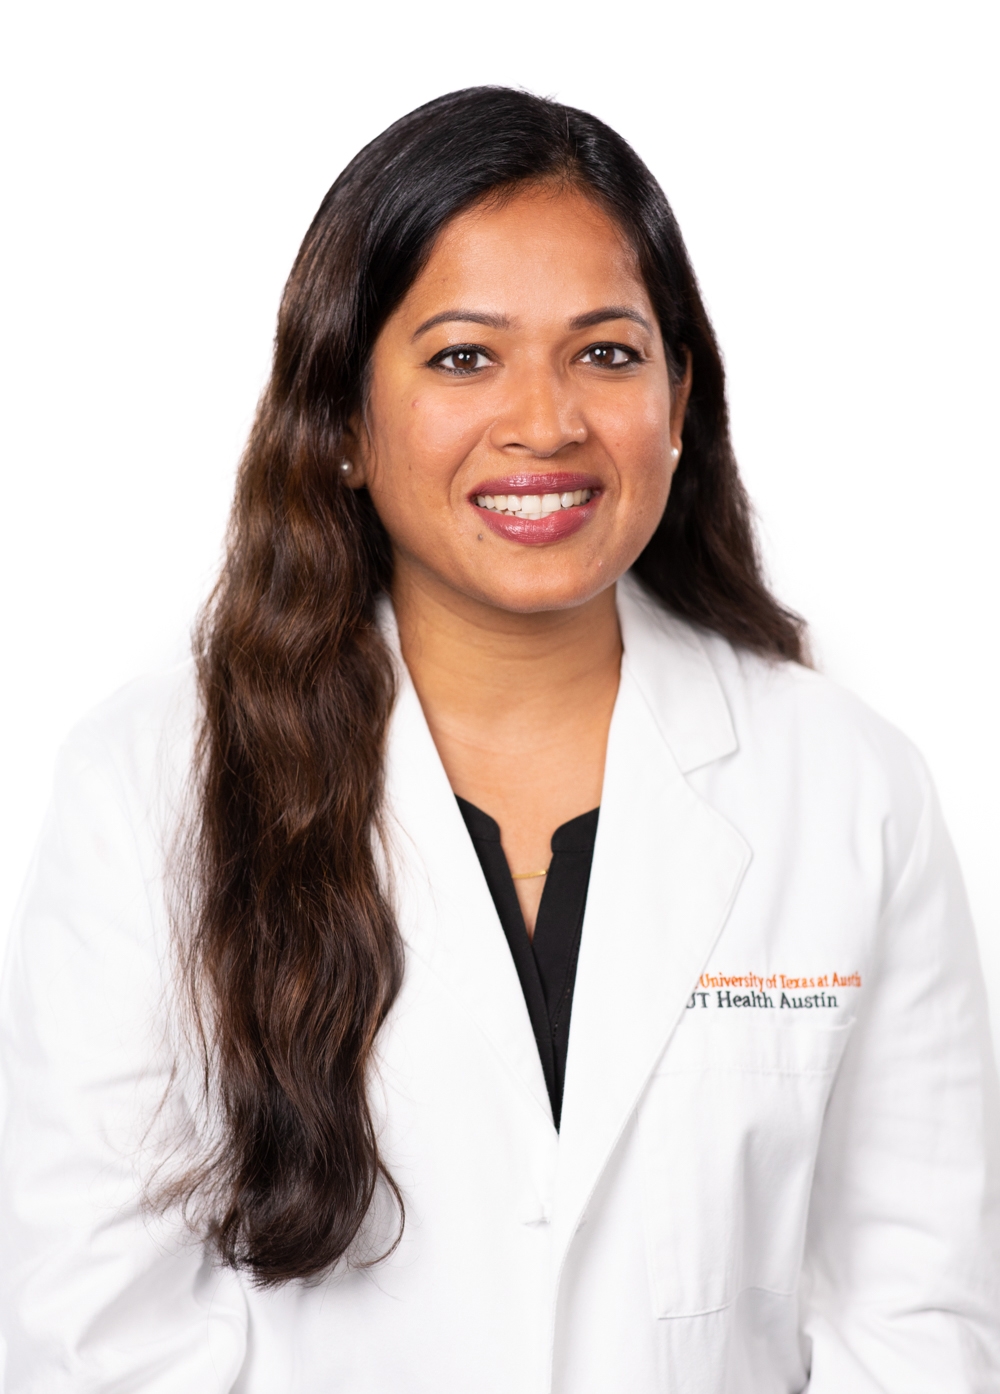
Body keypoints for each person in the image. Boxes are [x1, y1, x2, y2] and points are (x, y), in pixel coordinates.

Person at [1, 86, 998, 1394]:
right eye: (465, 356)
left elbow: (917, 1318)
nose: (546, 421)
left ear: (681, 394)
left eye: (608, 352)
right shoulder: (153, 784)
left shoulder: (846, 783)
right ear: (345, 414)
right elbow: (91, 1336)